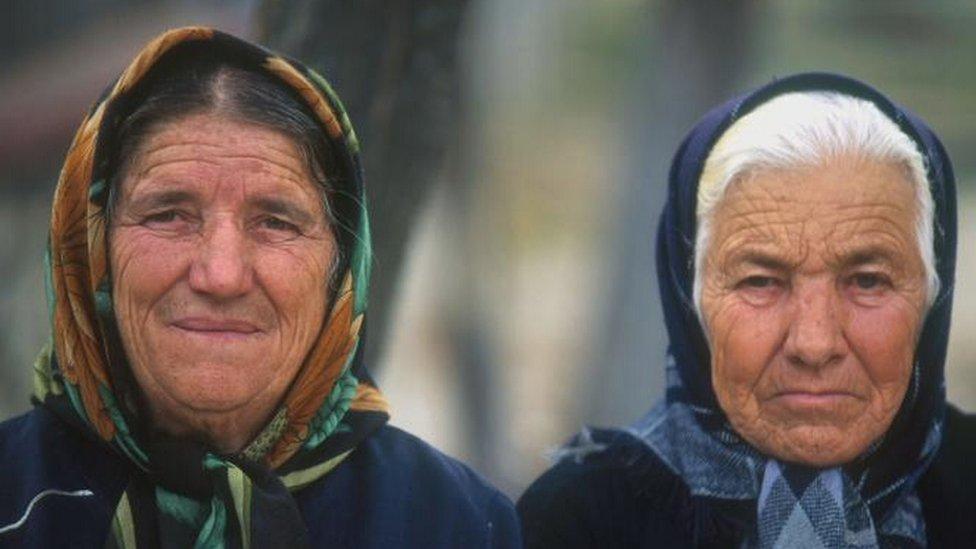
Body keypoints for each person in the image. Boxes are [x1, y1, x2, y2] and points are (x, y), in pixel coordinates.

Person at [0, 27, 520, 548]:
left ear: (341, 271)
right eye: (168, 214)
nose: (221, 275)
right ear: (89, 252)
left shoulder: (454, 522)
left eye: (276, 222)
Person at [518, 73, 976, 547]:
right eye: (760, 282)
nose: (814, 344)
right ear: (689, 302)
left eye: (867, 281)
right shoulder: (582, 520)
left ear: (931, 298)